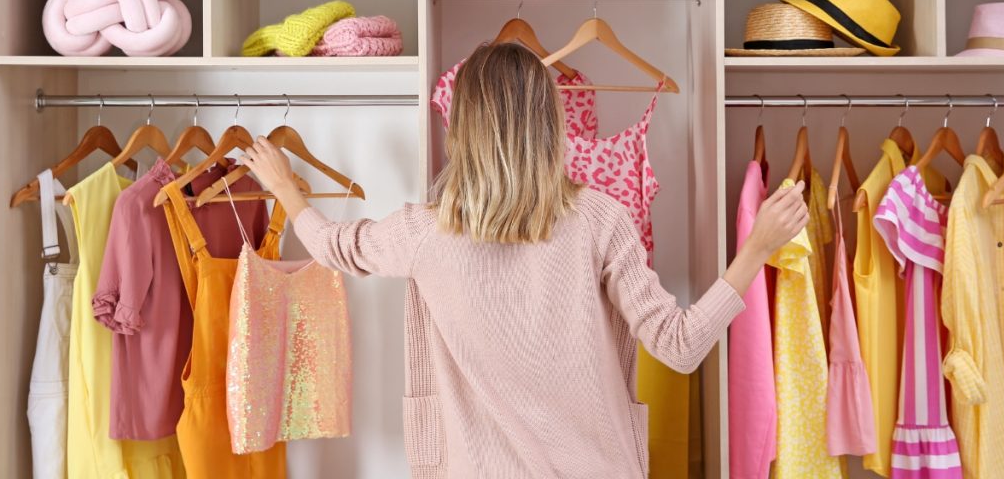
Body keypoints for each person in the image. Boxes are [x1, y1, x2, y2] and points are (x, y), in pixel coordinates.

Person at [240, 42, 808, 478]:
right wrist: (755, 248)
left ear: (462, 127)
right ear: (550, 123)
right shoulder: (601, 220)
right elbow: (680, 346)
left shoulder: (423, 232)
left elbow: (335, 245)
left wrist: (289, 190)